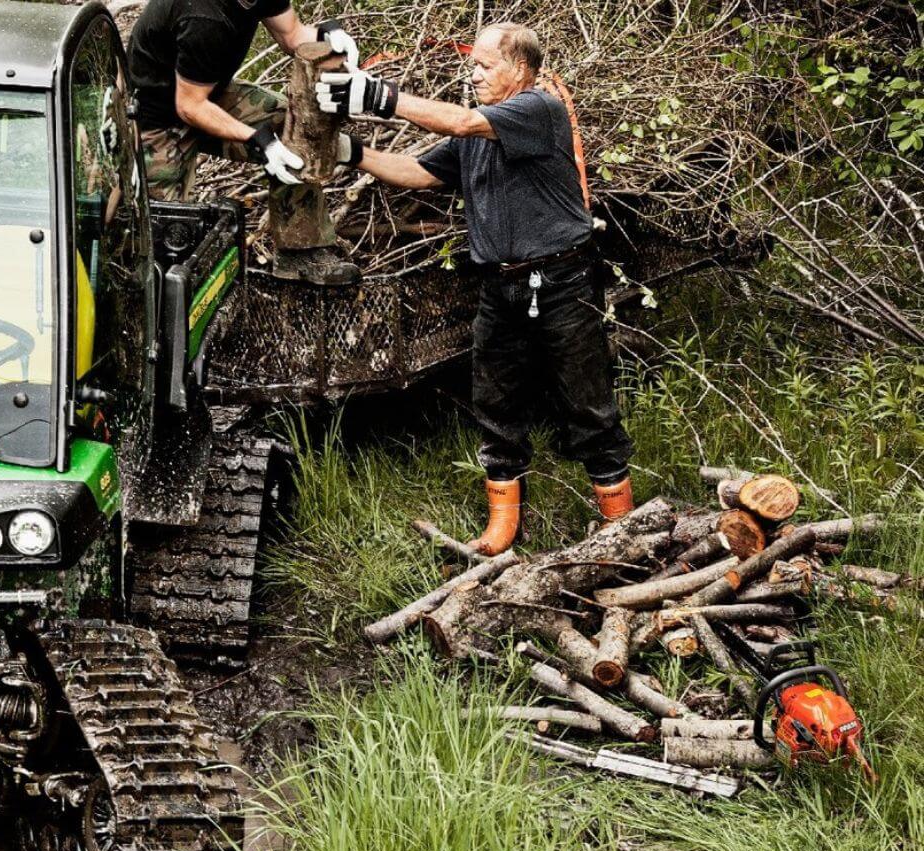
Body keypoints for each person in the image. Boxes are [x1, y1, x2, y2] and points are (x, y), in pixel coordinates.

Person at [317, 23, 635, 555]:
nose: (474, 75)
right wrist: (353, 152)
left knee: (587, 404)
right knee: (495, 404)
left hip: (561, 282)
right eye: (473, 66)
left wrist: (375, 96)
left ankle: (620, 527)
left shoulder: (539, 109)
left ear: (520, 68)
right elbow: (418, 172)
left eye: (485, 66)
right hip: (500, 287)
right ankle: (503, 526)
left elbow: (463, 120)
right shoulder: (474, 139)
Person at [128, 0, 361, 285]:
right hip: (157, 119)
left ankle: (300, 251)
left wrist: (329, 35)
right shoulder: (205, 17)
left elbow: (292, 34)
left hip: (207, 94)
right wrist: (259, 140)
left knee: (289, 122)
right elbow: (189, 107)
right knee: (166, 235)